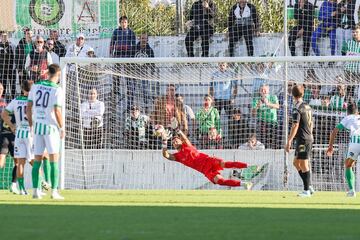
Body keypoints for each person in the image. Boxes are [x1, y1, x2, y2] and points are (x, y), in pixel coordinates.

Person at [162, 129, 253, 188]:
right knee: (220, 181)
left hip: (209, 160)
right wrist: (165, 141)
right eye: (173, 142)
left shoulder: (187, 145)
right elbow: (166, 155)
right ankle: (244, 184)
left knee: (225, 164)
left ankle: (247, 166)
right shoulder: (177, 156)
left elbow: (185, 138)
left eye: (176, 140)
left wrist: (178, 130)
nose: (175, 143)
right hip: (205, 170)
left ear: (180, 141)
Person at [27, 64, 65, 200]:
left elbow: (28, 107)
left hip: (37, 127)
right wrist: (62, 127)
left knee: (37, 160)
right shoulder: (57, 89)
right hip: (51, 127)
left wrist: (31, 125)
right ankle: (54, 191)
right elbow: (57, 110)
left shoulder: (36, 86)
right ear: (58, 74)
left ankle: (36, 191)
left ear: (47, 72)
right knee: (54, 158)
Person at [2, 81, 34, 195]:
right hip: (29, 133)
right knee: (34, 161)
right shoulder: (33, 101)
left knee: (20, 163)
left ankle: (21, 189)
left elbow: (4, 114)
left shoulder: (15, 101)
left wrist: (11, 126)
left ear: (22, 89)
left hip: (18, 133)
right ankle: (39, 186)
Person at [285, 85, 315, 197]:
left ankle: (306, 191)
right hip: (306, 138)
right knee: (296, 163)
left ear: (292, 95)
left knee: (303, 163)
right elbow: (311, 123)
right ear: (303, 93)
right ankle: (309, 185)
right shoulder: (307, 106)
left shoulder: (297, 108)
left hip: (303, 139)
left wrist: (289, 140)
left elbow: (295, 125)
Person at [326, 101, 359, 197]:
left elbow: (335, 130)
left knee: (348, 165)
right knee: (350, 164)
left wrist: (330, 146)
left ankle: (352, 190)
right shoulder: (357, 116)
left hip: (356, 141)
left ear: (347, 112)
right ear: (357, 111)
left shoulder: (348, 117)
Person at [0, 83, 17, 194]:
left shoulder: (5, 102)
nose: (0, 90)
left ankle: (14, 185)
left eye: (1, 88)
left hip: (9, 134)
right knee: (1, 160)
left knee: (18, 161)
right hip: (3, 134)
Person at [251, 84, 279, 148]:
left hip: (272, 122)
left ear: (268, 90)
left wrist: (268, 103)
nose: (263, 91)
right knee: (262, 141)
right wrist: (257, 106)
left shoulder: (273, 97)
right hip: (262, 122)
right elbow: (253, 114)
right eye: (261, 90)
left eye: (265, 90)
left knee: (273, 141)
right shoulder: (256, 99)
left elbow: (277, 106)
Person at [0, 32, 16, 99]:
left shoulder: (12, 45)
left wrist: (14, 67)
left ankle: (13, 99)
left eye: (6, 36)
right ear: (0, 37)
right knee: (3, 86)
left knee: (13, 85)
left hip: (11, 69)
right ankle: (2, 100)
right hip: (2, 70)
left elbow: (15, 56)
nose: (4, 37)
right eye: (3, 36)